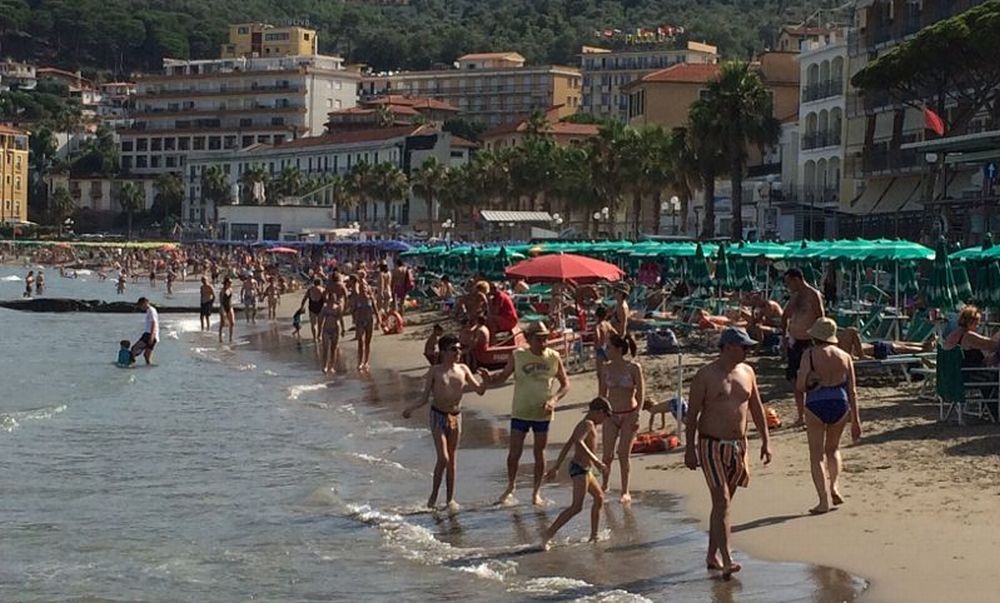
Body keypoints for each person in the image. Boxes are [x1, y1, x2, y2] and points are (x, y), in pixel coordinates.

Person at [685, 327, 773, 579]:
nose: (748, 351)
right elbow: (692, 415)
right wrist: (689, 449)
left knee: (723, 504)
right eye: (744, 347)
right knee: (722, 501)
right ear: (728, 347)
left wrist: (766, 441)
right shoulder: (706, 375)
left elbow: (757, 408)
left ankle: (712, 554)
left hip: (738, 445)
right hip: (711, 444)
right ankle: (727, 559)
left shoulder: (747, 372)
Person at [480, 321, 570, 506]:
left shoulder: (553, 357)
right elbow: (503, 376)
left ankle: (536, 492)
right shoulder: (518, 355)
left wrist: (554, 400)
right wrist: (489, 379)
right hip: (521, 411)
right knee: (514, 452)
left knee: (540, 452)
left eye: (545, 339)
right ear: (529, 339)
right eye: (539, 339)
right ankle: (511, 486)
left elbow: (565, 384)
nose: (543, 343)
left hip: (542, 412)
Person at [402, 334, 486, 510]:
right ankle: (433, 496)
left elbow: (479, 391)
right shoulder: (435, 371)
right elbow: (425, 397)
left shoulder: (463, 369)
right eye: (453, 349)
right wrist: (411, 408)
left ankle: (449, 499)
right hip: (438, 415)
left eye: (459, 348)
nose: (457, 352)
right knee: (443, 458)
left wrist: (486, 381)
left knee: (452, 460)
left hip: (456, 416)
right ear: (443, 352)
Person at [796, 317, 861, 515]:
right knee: (832, 450)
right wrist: (856, 420)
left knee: (816, 455)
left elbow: (800, 386)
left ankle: (823, 501)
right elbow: (853, 390)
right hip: (840, 402)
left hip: (816, 402)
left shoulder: (810, 354)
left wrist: (808, 381)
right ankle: (834, 486)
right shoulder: (844, 356)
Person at [542, 397, 613, 547]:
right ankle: (548, 534)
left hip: (586, 470)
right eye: (606, 416)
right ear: (599, 412)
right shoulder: (587, 424)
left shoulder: (586, 424)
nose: (605, 420)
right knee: (576, 507)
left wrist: (556, 467)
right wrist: (597, 461)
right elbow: (578, 442)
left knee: (599, 497)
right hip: (580, 469)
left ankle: (593, 536)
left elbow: (568, 444)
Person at [598, 333, 644, 504]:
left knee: (623, 453)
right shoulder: (606, 367)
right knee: (607, 455)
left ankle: (625, 491)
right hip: (610, 414)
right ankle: (604, 485)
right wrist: (598, 414)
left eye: (608, 347)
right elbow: (602, 393)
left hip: (629, 413)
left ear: (618, 349)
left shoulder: (633, 368)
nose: (606, 350)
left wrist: (637, 414)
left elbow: (640, 393)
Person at [782, 268, 825, 425]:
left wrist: (821, 340)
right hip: (795, 341)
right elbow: (784, 316)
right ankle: (801, 415)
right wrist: (784, 336)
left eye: (789, 283)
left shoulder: (813, 295)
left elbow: (821, 318)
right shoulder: (794, 296)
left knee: (812, 379)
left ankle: (813, 413)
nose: (788, 286)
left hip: (809, 342)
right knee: (795, 379)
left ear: (797, 280)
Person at [353, 280, 376, 371]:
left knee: (367, 342)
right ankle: (360, 362)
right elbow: (353, 309)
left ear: (367, 289)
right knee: (360, 342)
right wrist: (354, 318)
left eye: (364, 288)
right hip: (360, 322)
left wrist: (379, 319)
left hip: (369, 321)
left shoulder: (370, 298)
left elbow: (375, 309)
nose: (363, 290)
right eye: (361, 288)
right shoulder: (357, 299)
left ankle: (366, 361)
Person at [593, 306, 616, 394]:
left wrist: (597, 344)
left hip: (601, 350)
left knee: (600, 375)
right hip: (608, 349)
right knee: (609, 372)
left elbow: (598, 336)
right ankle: (610, 392)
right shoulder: (607, 324)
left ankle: (601, 394)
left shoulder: (598, 325)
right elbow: (615, 333)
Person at [318, 296, 343, 374]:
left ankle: (332, 366)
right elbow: (320, 319)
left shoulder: (338, 308)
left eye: (333, 298)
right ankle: (325, 366)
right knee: (325, 349)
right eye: (330, 298)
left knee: (333, 349)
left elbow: (340, 318)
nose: (331, 300)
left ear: (335, 299)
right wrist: (319, 332)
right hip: (326, 329)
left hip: (335, 329)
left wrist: (343, 329)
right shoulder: (325, 308)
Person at [134, 297, 160, 365]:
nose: (140, 307)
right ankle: (149, 368)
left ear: (145, 303)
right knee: (146, 356)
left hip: (149, 334)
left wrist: (151, 336)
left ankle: (131, 365)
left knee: (134, 349)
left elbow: (153, 323)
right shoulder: (150, 310)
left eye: (140, 305)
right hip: (152, 334)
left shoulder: (151, 310)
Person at [218, 277, 235, 344]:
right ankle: (220, 338)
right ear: (226, 283)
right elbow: (221, 301)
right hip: (224, 307)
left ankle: (230, 338)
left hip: (230, 306)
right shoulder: (222, 291)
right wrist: (222, 309)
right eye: (229, 282)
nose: (231, 283)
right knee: (222, 324)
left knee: (232, 323)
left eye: (231, 282)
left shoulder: (230, 289)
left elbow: (230, 299)